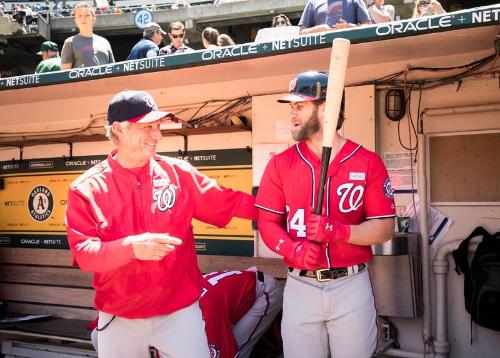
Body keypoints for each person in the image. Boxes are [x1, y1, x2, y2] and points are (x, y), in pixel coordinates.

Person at [65, 89, 257, 358]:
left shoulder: (178, 173)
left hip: (179, 313)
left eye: (158, 126)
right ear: (119, 130)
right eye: (149, 127)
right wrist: (131, 247)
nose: (158, 135)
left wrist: (282, 211)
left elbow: (231, 203)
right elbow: (85, 254)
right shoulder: (86, 188)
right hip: (119, 317)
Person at [255, 70, 396, 357]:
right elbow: (267, 223)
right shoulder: (280, 165)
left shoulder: (367, 162)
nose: (292, 114)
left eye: (300, 106)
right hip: (299, 284)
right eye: (291, 107)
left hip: (351, 284)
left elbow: (384, 228)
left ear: (327, 107)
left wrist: (339, 231)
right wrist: (292, 249)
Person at [90, 269, 283, 358]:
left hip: (263, 291)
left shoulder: (198, 317)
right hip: (225, 297)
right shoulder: (141, 306)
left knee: (234, 352)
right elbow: (99, 333)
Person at [60, 2, 114, 69]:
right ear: (76, 20)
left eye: (87, 15)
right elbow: (65, 74)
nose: (83, 18)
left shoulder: (105, 42)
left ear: (94, 19)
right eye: (80, 16)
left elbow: (113, 70)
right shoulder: (70, 42)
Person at [299, 0, 371, 35]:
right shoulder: (313, 2)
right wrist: (319, 29)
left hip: (349, 47)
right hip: (321, 51)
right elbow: (301, 32)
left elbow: (368, 26)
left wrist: (349, 27)